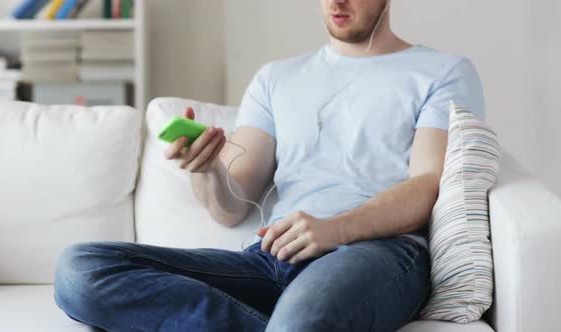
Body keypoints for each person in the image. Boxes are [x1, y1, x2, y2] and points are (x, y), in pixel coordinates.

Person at [53, 0, 484, 331]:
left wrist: (335, 229)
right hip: (271, 257)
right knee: (81, 271)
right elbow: (231, 207)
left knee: (303, 315)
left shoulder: (441, 71)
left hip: (378, 253)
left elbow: (428, 183)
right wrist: (207, 172)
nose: (337, 2)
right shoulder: (276, 78)